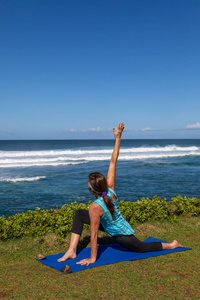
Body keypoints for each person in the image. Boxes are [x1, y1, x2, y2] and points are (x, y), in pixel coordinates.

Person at [58, 122, 183, 266]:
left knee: (142, 248)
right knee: (79, 214)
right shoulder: (109, 189)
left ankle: (172, 245)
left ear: (92, 190)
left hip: (122, 235)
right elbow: (113, 162)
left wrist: (93, 258)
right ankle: (71, 250)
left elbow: (94, 235)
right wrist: (118, 138)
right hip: (109, 223)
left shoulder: (95, 207)